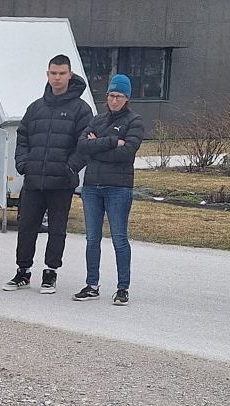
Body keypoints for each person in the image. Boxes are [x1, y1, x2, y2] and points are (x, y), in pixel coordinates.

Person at [2, 54, 93, 294]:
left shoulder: (81, 110)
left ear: (69, 75)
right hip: (33, 181)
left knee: (56, 229)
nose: (57, 78)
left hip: (61, 183)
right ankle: (22, 272)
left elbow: (84, 146)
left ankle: (50, 272)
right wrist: (24, 164)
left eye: (62, 73)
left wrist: (70, 168)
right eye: (53, 73)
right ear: (47, 75)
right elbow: (23, 137)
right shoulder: (35, 108)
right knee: (26, 227)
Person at [73, 74, 144, 306]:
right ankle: (92, 284)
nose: (114, 100)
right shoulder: (97, 120)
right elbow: (83, 145)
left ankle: (123, 287)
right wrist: (113, 140)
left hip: (118, 187)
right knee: (92, 238)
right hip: (92, 186)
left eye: (119, 96)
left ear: (127, 98)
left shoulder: (134, 121)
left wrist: (98, 144)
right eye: (111, 95)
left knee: (119, 239)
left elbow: (127, 152)